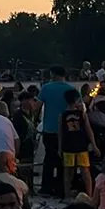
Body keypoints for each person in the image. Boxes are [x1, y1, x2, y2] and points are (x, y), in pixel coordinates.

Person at [39, 66, 78, 196]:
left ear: (53, 75)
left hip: (49, 128)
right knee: (64, 160)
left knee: (49, 158)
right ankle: (61, 187)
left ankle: (46, 187)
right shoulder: (71, 89)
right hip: (67, 130)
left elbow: (37, 107)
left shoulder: (46, 88)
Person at [60, 88, 98, 199]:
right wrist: (94, 145)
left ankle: (67, 195)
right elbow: (89, 130)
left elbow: (61, 133)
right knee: (85, 171)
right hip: (81, 145)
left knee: (68, 173)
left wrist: (60, 147)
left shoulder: (62, 115)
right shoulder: (82, 114)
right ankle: (89, 194)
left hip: (68, 146)